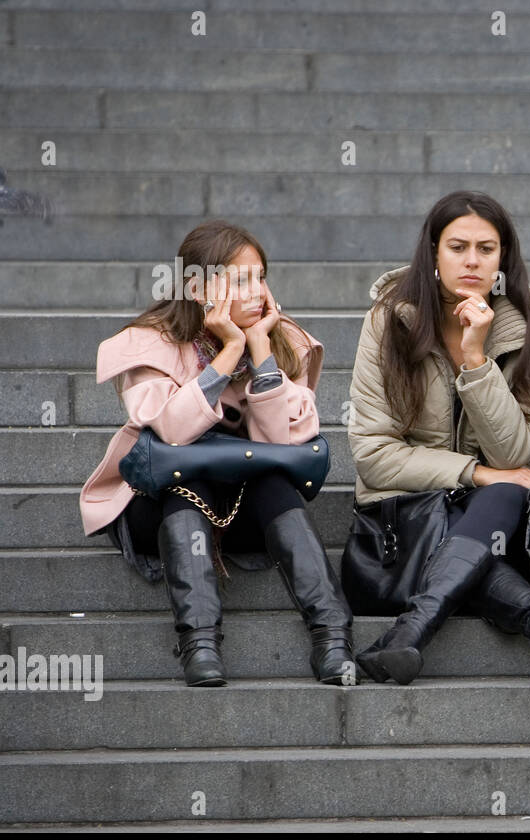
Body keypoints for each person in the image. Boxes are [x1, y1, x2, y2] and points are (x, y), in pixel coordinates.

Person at [348, 190, 530, 686]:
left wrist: (475, 361)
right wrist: (478, 473)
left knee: (509, 490)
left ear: (503, 258)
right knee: (502, 490)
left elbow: (516, 452)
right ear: (432, 253)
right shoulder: (389, 322)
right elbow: (374, 455)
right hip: (405, 523)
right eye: (458, 246)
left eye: (486, 249)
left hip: (500, 524)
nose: (472, 261)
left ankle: (409, 635)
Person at [79, 220, 355, 687]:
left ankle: (333, 637)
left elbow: (284, 449)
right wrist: (229, 353)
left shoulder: (285, 340)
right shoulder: (152, 342)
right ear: (197, 286)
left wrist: (262, 353)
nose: (256, 291)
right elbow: (171, 430)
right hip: (161, 505)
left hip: (243, 507)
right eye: (240, 279)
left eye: (261, 276)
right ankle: (199, 642)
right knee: (186, 478)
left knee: (272, 481)